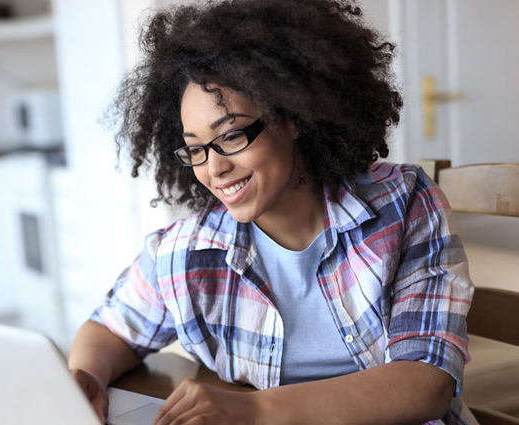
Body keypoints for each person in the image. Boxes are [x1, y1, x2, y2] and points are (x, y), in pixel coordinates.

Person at [68, 1, 475, 424]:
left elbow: (427, 382)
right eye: (195, 149)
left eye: (231, 136)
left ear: (293, 115)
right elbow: (110, 329)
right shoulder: (187, 251)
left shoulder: (402, 203)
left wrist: (253, 410)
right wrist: (86, 377)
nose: (214, 167)